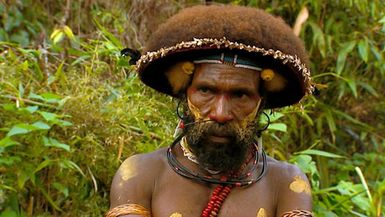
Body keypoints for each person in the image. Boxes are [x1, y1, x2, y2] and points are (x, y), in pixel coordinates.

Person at [106, 4, 314, 217]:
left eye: (240, 95)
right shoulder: (141, 175)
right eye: (206, 90)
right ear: (185, 93)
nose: (221, 113)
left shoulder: (286, 183)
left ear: (261, 102)